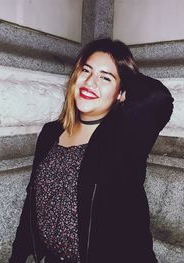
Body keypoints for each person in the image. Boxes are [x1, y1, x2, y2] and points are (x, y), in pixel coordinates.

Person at [9, 38, 173, 263]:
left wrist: (126, 79)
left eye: (105, 78)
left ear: (121, 93)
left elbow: (159, 98)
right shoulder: (51, 132)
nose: (90, 82)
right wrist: (18, 255)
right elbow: (33, 200)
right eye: (86, 71)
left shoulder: (125, 139)